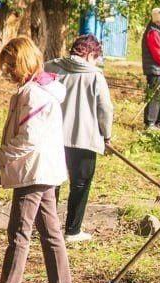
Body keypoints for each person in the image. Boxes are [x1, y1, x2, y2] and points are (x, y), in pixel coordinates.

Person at [0, 37, 73, 283]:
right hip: (40, 170)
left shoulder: (34, 94)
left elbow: (26, 140)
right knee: (51, 231)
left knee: (19, 233)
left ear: (23, 62)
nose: (7, 71)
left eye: (10, 65)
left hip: (33, 172)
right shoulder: (36, 90)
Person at [45, 35, 114, 243]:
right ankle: (72, 231)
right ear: (91, 54)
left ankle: (48, 227)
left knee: (51, 182)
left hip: (52, 135)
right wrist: (107, 135)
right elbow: (105, 109)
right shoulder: (95, 76)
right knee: (81, 184)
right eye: (96, 57)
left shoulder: (50, 67)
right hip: (84, 137)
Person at [141, 8, 160, 129]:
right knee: (154, 95)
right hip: (155, 68)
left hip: (158, 68)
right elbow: (157, 52)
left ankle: (159, 121)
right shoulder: (153, 32)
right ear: (158, 20)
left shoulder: (156, 29)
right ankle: (150, 122)